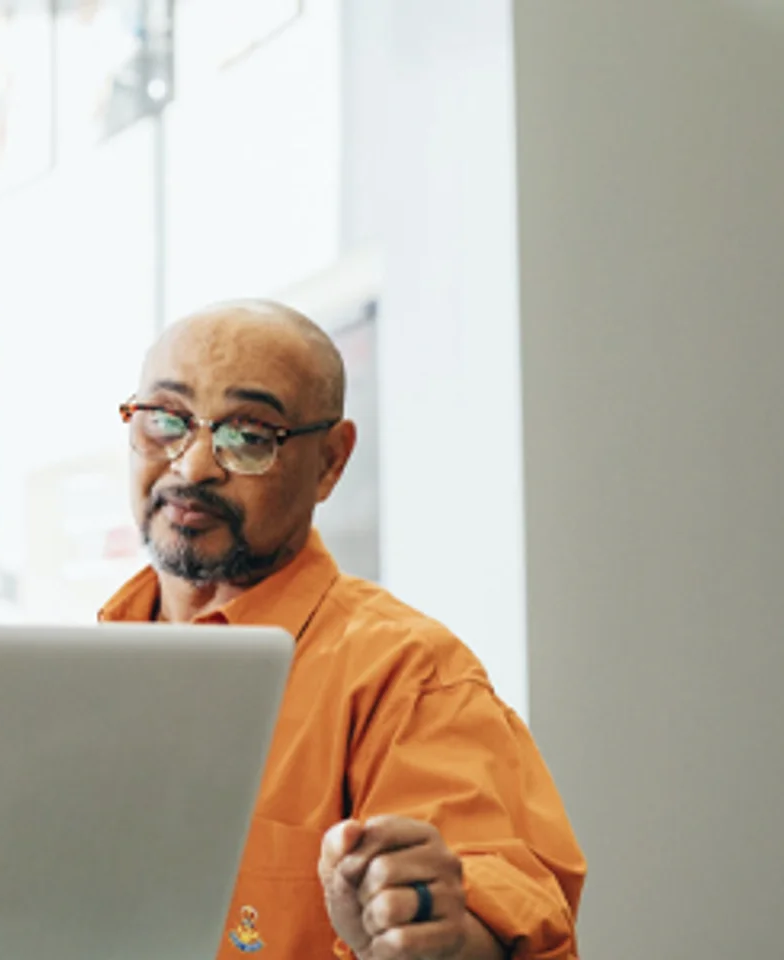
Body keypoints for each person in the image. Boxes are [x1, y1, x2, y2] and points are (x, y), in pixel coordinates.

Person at [101, 300, 586, 959]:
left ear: (330, 461)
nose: (192, 466)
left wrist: (429, 934)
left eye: (248, 434)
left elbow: (499, 921)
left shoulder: (409, 674)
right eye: (165, 421)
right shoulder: (87, 665)